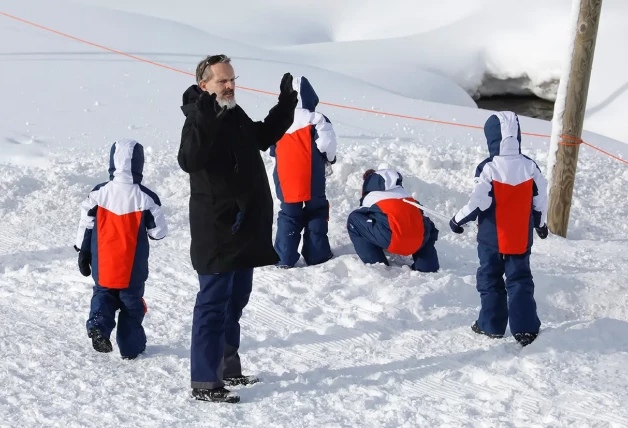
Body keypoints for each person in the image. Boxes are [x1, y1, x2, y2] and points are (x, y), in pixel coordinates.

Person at [177, 54, 298, 404]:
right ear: (204, 86)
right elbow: (190, 160)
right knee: (213, 304)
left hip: (243, 227)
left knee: (235, 301)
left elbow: (261, 136)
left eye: (232, 80)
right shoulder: (199, 118)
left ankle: (228, 368)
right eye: (222, 81)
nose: (230, 86)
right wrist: (204, 116)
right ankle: (204, 381)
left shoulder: (232, 112)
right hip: (217, 229)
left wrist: (285, 105)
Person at [449, 111, 548, 347]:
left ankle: (490, 325)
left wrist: (457, 220)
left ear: (492, 137)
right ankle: (525, 329)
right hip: (520, 238)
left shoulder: (489, 167)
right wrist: (541, 223)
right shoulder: (530, 166)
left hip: (491, 238)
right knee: (520, 279)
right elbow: (540, 198)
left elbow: (478, 201)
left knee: (490, 277)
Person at [74, 138, 168, 360]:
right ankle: (130, 348)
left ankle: (98, 327)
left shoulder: (98, 193)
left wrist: (82, 250)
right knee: (131, 308)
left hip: (102, 262)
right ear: (139, 164)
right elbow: (159, 233)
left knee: (103, 295)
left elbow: (85, 223)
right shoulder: (147, 198)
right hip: (131, 269)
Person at [269, 75, 337, 268]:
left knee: (289, 214)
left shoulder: (277, 120)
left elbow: (273, 152)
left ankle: (283, 257)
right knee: (316, 210)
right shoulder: (316, 119)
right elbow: (326, 144)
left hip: (285, 177)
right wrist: (330, 159)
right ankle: (317, 254)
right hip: (311, 175)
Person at [346, 167, 440, 272]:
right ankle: (427, 265)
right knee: (425, 223)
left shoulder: (372, 196)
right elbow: (419, 212)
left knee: (354, 219)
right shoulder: (405, 194)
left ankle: (377, 263)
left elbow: (363, 214)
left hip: (392, 239)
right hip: (419, 239)